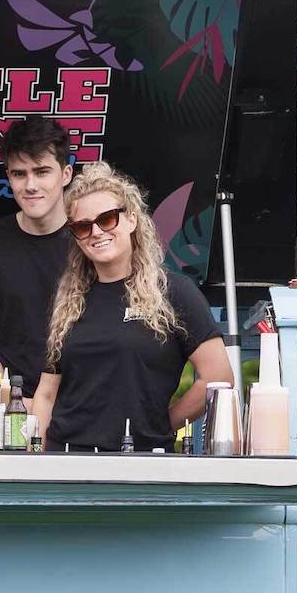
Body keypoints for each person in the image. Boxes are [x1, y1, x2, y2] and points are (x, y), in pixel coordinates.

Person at [29, 163, 234, 452]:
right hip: (66, 462)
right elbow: (46, 395)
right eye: (83, 226)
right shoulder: (69, 301)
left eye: (108, 219)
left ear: (132, 220)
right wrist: (32, 460)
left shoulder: (174, 292)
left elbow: (218, 378)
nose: (96, 232)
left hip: (143, 463)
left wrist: (162, 425)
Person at [0, 115, 74, 395]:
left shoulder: (90, 237)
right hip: (14, 407)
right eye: (19, 174)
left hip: (83, 407)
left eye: (42, 171)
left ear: (66, 174)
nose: (30, 185)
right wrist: (13, 402)